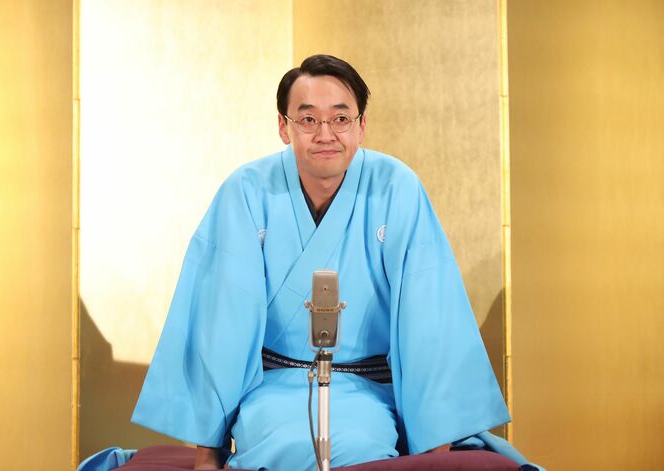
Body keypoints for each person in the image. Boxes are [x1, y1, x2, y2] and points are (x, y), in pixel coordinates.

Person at [132, 54, 516, 471]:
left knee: (358, 448)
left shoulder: (397, 188)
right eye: (308, 119)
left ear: (361, 125)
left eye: (341, 119)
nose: (325, 134)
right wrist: (208, 452)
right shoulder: (246, 191)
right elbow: (221, 321)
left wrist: (433, 448)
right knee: (281, 445)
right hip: (274, 387)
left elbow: (430, 320)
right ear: (284, 127)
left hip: (367, 388)